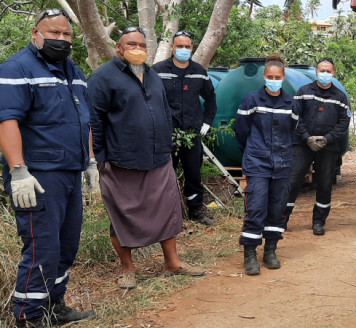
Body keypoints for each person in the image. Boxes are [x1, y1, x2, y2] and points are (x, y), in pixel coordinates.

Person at [87, 27, 206, 290]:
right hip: (121, 160)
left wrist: (166, 145)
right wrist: (99, 159)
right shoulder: (102, 78)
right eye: (131, 44)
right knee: (122, 215)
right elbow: (95, 120)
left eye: (142, 44)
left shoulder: (152, 76)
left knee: (168, 210)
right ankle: (128, 269)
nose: (138, 49)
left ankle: (172, 263)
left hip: (159, 157)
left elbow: (164, 112)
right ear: (119, 47)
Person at [0, 9, 97, 327]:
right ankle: (28, 316)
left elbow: (85, 121)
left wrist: (91, 161)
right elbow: (7, 120)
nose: (61, 39)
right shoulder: (17, 69)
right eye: (54, 33)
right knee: (42, 247)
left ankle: (55, 306)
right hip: (37, 176)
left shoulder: (75, 71)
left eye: (67, 34)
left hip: (70, 171)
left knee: (66, 245)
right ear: (35, 33)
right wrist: (18, 170)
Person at [234, 55, 299, 275]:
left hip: (282, 164)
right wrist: (253, 152)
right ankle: (250, 254)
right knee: (256, 207)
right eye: (270, 77)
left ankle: (271, 250)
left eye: (277, 77)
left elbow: (293, 131)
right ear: (264, 77)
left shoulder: (291, 104)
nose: (273, 80)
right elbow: (241, 132)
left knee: (277, 209)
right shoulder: (251, 101)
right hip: (257, 163)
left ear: (283, 77)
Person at [152, 30, 217, 226]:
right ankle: (164, 216)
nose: (183, 49)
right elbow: (149, 99)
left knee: (193, 174)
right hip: (167, 135)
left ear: (192, 48)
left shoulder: (199, 71)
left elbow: (211, 99)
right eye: (179, 46)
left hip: (191, 134)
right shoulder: (157, 71)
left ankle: (196, 211)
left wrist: (207, 122)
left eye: (187, 46)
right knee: (163, 175)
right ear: (172, 47)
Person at [284, 58, 350, 236]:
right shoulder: (303, 92)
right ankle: (281, 220)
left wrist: (327, 139)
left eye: (328, 71)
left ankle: (319, 222)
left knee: (325, 184)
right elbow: (295, 117)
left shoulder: (340, 97)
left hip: (328, 148)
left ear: (334, 73)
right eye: (322, 70)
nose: (325, 74)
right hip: (302, 145)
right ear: (316, 72)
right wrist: (307, 138)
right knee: (292, 181)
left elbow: (343, 124)